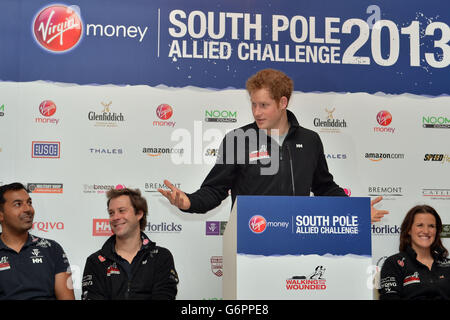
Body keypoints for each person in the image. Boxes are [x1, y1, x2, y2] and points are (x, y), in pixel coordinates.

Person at [159, 68, 388, 223]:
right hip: (251, 239)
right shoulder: (238, 139)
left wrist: (354, 211)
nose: (257, 112)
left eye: (264, 105)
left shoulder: (310, 140)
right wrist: (188, 202)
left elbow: (324, 187)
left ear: (283, 103)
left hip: (299, 238)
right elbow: (214, 190)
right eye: (254, 104)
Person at [82, 187, 179, 300]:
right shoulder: (95, 261)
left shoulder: (161, 257)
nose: (115, 217)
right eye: (111, 213)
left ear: (139, 214)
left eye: (122, 210)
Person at [0, 182, 74, 300]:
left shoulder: (52, 249)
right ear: (1, 214)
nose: (28, 209)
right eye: (18, 204)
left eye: (29, 203)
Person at [379, 205, 450, 299]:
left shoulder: (448, 264)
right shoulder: (394, 263)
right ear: (409, 230)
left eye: (431, 226)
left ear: (437, 231)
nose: (426, 231)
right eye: (420, 225)